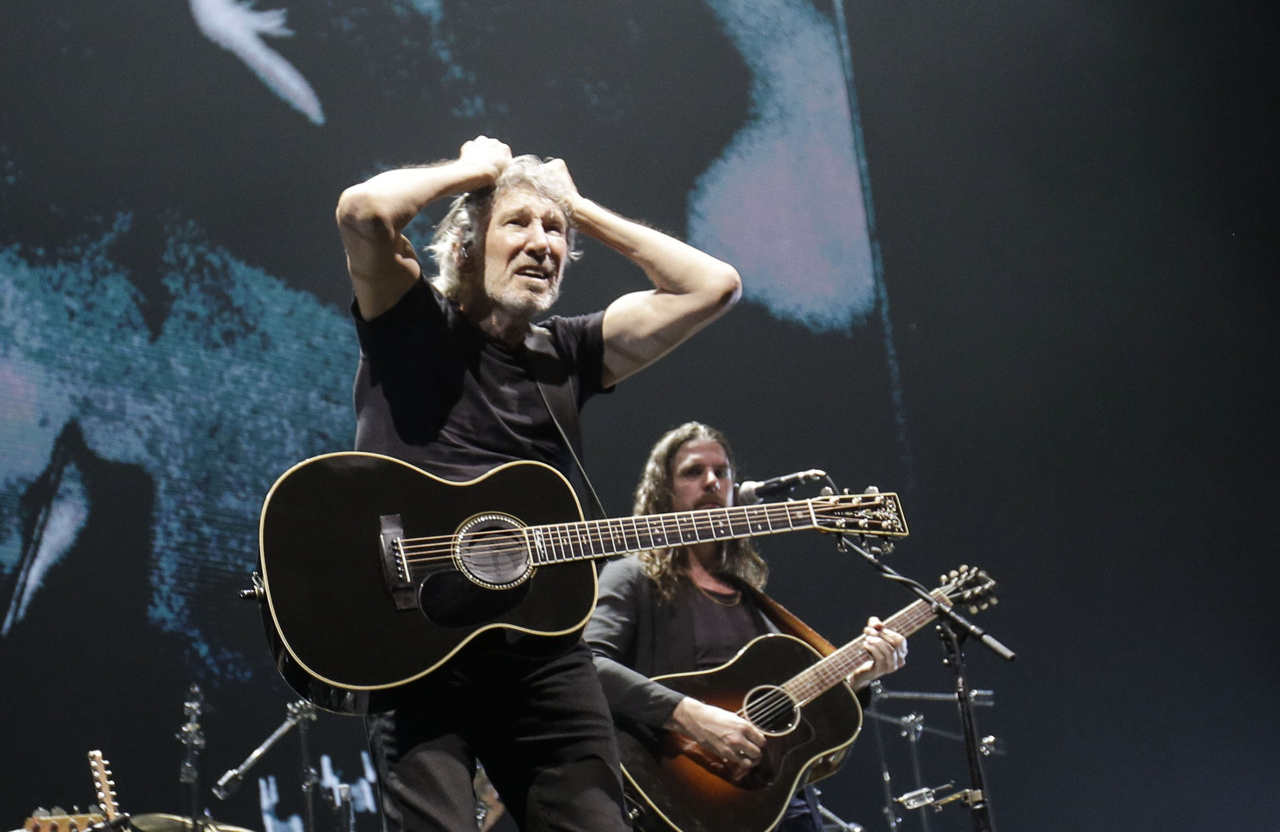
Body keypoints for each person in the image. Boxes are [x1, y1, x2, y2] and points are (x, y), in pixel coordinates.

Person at [334, 136, 741, 832]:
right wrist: (478, 172)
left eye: (554, 231)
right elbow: (362, 212)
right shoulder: (410, 319)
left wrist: (577, 206)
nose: (542, 243)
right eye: (518, 223)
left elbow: (715, 285)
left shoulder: (568, 353)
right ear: (465, 245)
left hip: (540, 647)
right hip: (416, 636)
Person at [585, 422, 909, 832]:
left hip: (777, 806)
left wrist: (857, 680)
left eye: (721, 472)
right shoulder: (631, 576)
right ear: (663, 491)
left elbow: (789, 717)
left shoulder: (748, 596)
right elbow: (588, 666)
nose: (711, 482)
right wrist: (687, 715)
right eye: (693, 472)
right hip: (683, 804)